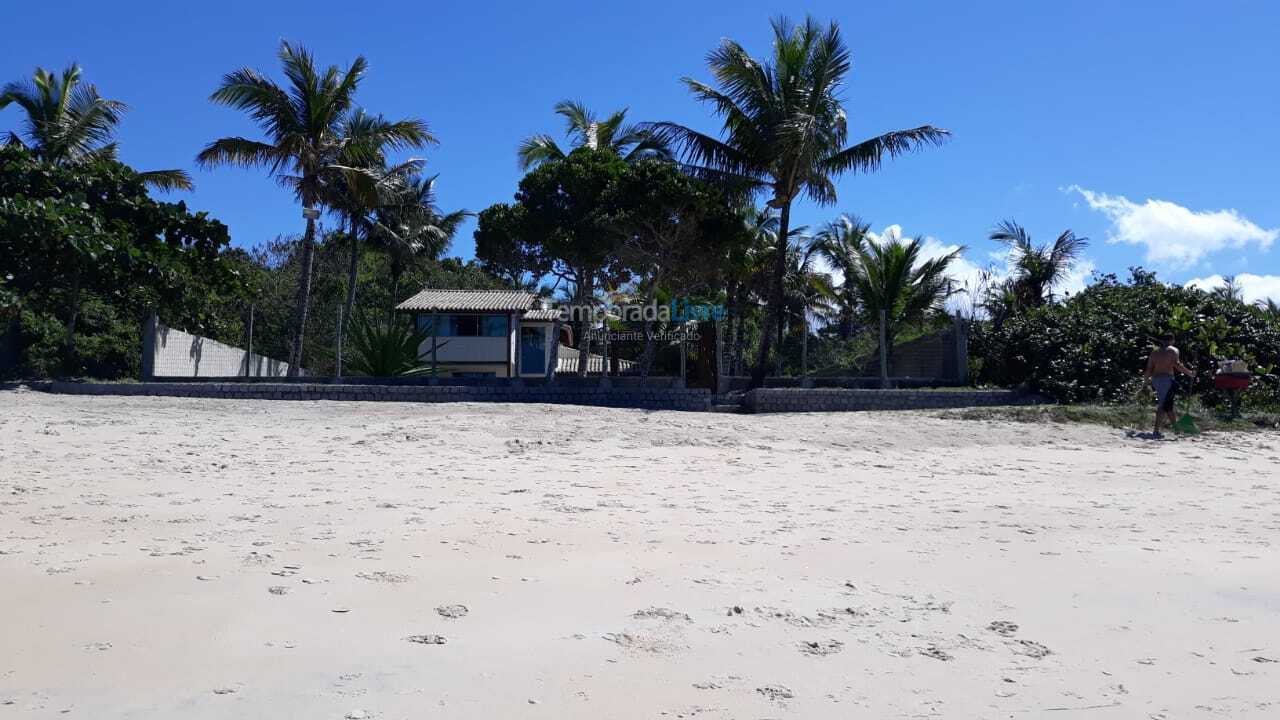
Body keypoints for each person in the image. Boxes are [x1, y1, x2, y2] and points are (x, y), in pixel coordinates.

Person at [1144, 333, 1195, 437]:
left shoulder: (1155, 352)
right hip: (1167, 380)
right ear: (1172, 340)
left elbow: (1149, 369)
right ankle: (1156, 431)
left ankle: (1176, 429)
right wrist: (1189, 373)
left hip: (1156, 379)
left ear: (1162, 341)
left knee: (1168, 405)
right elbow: (1177, 364)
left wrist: (1145, 383)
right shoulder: (1173, 350)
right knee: (1164, 405)